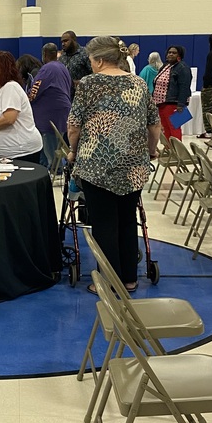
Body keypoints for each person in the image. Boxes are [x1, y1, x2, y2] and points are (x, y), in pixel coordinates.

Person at [67, 37, 160, 292]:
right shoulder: (139, 83)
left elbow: (74, 126)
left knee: (104, 223)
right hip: (133, 166)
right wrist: (151, 151)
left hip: (97, 166)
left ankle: (107, 281)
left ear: (98, 60)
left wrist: (73, 152)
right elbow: (154, 125)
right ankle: (129, 278)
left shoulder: (88, 83)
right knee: (128, 221)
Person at [28, 43, 72, 169]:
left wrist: (26, 99)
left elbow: (35, 91)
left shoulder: (47, 69)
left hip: (50, 115)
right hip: (62, 112)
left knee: (51, 149)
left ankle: (55, 170)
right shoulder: (62, 67)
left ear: (44, 55)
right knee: (57, 147)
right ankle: (54, 168)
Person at [152, 45, 192, 141]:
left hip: (174, 103)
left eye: (174, 53)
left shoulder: (183, 68)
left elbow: (184, 87)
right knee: (165, 128)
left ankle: (177, 152)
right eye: (169, 52)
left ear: (179, 55)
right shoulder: (166, 66)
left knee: (174, 128)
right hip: (161, 103)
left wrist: (181, 104)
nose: (170, 54)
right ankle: (169, 150)